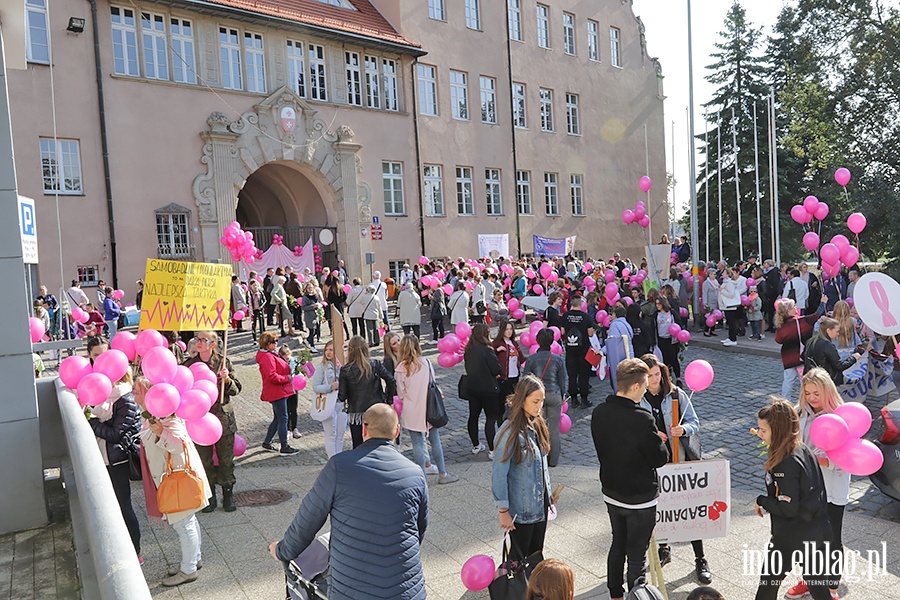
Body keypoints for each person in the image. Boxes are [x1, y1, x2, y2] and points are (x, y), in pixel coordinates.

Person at [270, 404, 428, 600]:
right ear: (396, 432)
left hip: (351, 591)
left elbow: (307, 521)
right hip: (407, 592)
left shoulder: (339, 467)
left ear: (363, 429)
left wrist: (282, 550)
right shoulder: (415, 473)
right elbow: (418, 529)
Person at [591, 359, 669, 600]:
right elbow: (659, 458)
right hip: (640, 498)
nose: (647, 388)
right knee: (637, 554)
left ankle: (615, 594)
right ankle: (637, 595)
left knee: (617, 545)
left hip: (612, 492)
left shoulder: (599, 412)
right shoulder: (642, 419)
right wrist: (658, 439)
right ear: (635, 386)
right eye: (645, 384)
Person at [638, 354, 710, 584]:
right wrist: (650, 435)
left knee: (687, 509)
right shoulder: (638, 398)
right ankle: (664, 547)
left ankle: (700, 558)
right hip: (655, 462)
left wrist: (682, 430)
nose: (653, 380)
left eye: (657, 374)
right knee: (661, 509)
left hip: (679, 460)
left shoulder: (676, 393)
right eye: (648, 376)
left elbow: (694, 422)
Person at [754, 398, 834, 600]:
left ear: (778, 431)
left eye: (763, 430)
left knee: (767, 587)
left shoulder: (785, 463)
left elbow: (788, 507)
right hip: (815, 530)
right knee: (818, 589)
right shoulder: (801, 448)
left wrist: (762, 501)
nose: (759, 434)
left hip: (792, 536)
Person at [134, 377, 211, 587]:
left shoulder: (170, 419)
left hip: (177, 482)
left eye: (137, 390)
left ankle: (189, 570)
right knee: (188, 522)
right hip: (171, 480)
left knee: (183, 524)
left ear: (150, 394)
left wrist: (161, 433)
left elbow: (179, 446)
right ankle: (193, 560)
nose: (133, 393)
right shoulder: (153, 417)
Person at [785, 368, 851, 600]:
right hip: (807, 487)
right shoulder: (799, 412)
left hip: (832, 489)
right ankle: (810, 579)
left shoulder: (841, 416)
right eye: (808, 393)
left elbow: (846, 459)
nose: (812, 398)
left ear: (828, 392)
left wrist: (812, 458)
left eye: (817, 394)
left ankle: (831, 587)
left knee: (832, 538)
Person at [492, 375, 551, 561]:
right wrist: (503, 511)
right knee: (517, 563)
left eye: (542, 401)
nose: (539, 406)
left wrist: (548, 494)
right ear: (522, 399)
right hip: (521, 512)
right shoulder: (508, 433)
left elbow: (541, 466)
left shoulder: (537, 423)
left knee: (535, 558)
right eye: (535, 401)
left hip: (540, 508)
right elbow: (499, 475)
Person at [183, 331, 242, 512]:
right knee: (204, 459)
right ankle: (210, 496)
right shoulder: (190, 365)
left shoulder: (223, 363)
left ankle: (228, 494)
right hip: (200, 420)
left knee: (226, 459)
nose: (198, 342)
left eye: (203, 340)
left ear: (213, 344)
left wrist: (228, 379)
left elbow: (236, 389)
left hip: (222, 418)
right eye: (197, 339)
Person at [88, 366, 141, 561]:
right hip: (102, 457)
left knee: (123, 505)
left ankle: (136, 550)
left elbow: (117, 434)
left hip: (117, 460)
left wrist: (92, 422)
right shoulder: (100, 395)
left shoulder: (126, 398)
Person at [395, 335, 459, 484]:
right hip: (429, 408)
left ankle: (421, 478)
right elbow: (433, 383)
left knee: (417, 443)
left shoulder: (400, 369)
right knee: (435, 440)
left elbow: (401, 393)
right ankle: (443, 473)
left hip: (412, 410)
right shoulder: (426, 363)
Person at [338, 336, 395, 448]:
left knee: (359, 446)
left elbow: (342, 396)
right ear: (365, 348)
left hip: (357, 414)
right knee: (378, 444)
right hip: (376, 410)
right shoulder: (375, 364)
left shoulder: (346, 370)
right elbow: (391, 380)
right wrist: (388, 400)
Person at [522, 328, 566, 467]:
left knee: (537, 428)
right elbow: (562, 380)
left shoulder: (531, 359)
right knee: (554, 430)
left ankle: (541, 459)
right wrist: (563, 395)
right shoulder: (558, 359)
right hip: (554, 394)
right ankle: (554, 461)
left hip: (536, 396)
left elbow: (526, 379)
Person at [463, 323, 503, 458]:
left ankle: (476, 445)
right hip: (488, 389)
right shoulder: (487, 350)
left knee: (473, 417)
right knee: (490, 419)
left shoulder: (468, 350)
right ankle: (492, 449)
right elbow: (497, 369)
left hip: (473, 389)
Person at [774, 298, 823, 398]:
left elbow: (778, 340)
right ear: (789, 310)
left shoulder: (781, 325)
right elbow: (816, 315)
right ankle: (805, 400)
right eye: (794, 306)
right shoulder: (801, 321)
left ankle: (785, 400)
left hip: (788, 357)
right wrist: (823, 302)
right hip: (801, 357)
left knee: (788, 380)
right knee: (804, 380)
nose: (796, 308)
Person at [310, 340, 347, 457]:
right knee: (331, 434)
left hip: (341, 403)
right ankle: (332, 460)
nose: (328, 352)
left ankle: (339, 459)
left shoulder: (341, 367)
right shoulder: (322, 367)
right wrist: (329, 387)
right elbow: (315, 387)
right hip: (328, 403)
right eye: (326, 350)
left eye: (331, 350)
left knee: (340, 435)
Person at [804, 317, 861, 386]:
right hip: (825, 380)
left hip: (812, 378)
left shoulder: (811, 341)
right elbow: (839, 366)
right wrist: (853, 358)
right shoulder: (827, 345)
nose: (838, 334)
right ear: (828, 330)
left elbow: (804, 358)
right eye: (837, 331)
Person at [562, 295, 594, 409]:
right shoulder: (585, 317)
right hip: (583, 349)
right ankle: (584, 400)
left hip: (570, 349)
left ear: (571, 304)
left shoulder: (565, 316)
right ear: (580, 304)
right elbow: (590, 333)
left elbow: (562, 331)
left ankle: (574, 399)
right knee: (583, 375)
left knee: (572, 375)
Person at [493, 319, 525, 422]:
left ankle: (511, 422)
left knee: (513, 402)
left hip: (514, 376)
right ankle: (501, 423)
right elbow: (489, 356)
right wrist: (497, 350)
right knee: (501, 403)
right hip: (502, 378)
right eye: (507, 329)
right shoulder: (497, 343)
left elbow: (522, 358)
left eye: (511, 329)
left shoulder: (514, 343)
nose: (509, 331)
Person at [605, 306, 635, 391]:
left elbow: (612, 342)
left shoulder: (615, 325)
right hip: (629, 354)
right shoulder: (627, 324)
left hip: (619, 357)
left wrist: (601, 351)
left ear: (615, 315)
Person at [655, 296, 681, 380]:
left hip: (671, 339)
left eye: (659, 303)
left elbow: (678, 323)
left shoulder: (671, 313)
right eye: (656, 304)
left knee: (673, 358)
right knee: (664, 359)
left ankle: (678, 378)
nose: (657, 305)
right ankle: (668, 377)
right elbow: (653, 327)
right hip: (661, 339)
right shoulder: (655, 314)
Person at [279, 344, 302, 439]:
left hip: (294, 387)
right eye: (285, 359)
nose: (287, 361)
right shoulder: (279, 362)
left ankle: (295, 428)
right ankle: (288, 429)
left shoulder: (295, 361)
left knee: (294, 409)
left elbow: (300, 372)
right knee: (287, 409)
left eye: (288, 359)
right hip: (284, 388)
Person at [718, 268, 741, 347]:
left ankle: (733, 339)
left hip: (730, 306)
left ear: (728, 274)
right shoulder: (726, 282)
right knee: (729, 322)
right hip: (726, 306)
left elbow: (731, 294)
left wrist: (722, 291)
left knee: (731, 322)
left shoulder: (729, 283)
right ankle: (730, 337)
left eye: (724, 272)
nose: (722, 273)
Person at [323, 270, 350, 339]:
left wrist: (331, 302)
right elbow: (345, 297)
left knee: (335, 321)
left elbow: (329, 298)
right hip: (340, 305)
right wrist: (341, 302)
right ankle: (347, 333)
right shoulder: (341, 288)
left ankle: (338, 335)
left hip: (334, 306)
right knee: (343, 319)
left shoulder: (331, 289)